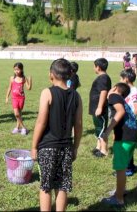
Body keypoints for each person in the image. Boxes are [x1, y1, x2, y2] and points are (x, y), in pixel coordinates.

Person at [31, 58, 83, 211]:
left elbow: (41, 122)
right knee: (62, 186)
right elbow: (78, 125)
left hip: (47, 147)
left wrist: (34, 146)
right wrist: (75, 148)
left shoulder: (47, 93)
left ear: (51, 75)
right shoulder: (76, 96)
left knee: (46, 186)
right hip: (66, 148)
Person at [101, 82, 137, 207]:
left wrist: (107, 131)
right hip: (132, 135)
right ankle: (121, 190)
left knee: (120, 168)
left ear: (115, 88)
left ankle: (118, 199)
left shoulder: (114, 96)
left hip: (125, 137)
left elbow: (120, 111)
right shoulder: (121, 98)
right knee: (122, 166)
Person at [89, 58, 112, 158]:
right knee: (98, 128)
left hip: (99, 108)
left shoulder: (103, 78)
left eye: (94, 66)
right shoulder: (102, 77)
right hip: (95, 107)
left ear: (98, 67)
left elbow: (103, 92)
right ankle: (98, 147)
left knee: (101, 128)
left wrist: (99, 107)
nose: (93, 68)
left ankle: (104, 150)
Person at [120, 69, 137, 176]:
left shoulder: (134, 91)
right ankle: (131, 166)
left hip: (129, 124)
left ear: (126, 79)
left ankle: (127, 169)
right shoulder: (126, 90)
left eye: (121, 78)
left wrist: (129, 121)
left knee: (125, 147)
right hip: (125, 121)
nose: (120, 80)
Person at [5, 62, 32, 135]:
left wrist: (30, 80)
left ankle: (17, 128)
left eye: (18, 70)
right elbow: (9, 87)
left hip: (21, 98)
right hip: (14, 98)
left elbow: (29, 88)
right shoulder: (12, 78)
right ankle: (24, 128)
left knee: (19, 114)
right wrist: (7, 97)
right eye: (15, 70)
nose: (16, 71)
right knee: (16, 114)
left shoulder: (24, 78)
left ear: (21, 69)